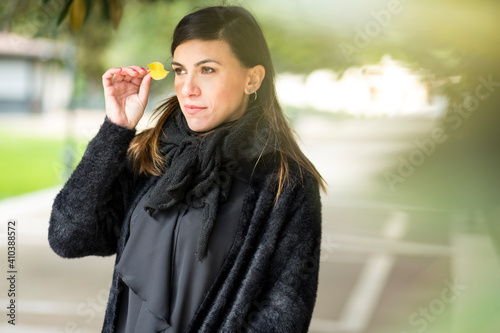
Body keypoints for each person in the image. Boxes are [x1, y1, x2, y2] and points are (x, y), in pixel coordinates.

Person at [49, 6, 325, 333]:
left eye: (207, 70)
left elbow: (283, 315)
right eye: (180, 71)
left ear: (252, 78)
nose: (188, 88)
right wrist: (116, 129)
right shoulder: (154, 155)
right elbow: (68, 237)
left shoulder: (283, 182)